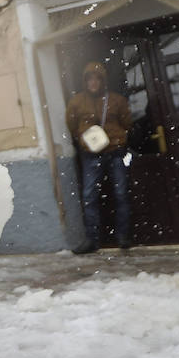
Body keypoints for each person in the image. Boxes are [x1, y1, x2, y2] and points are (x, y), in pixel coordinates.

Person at [65, 60, 133, 253]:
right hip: (91, 155)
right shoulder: (77, 102)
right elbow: (72, 125)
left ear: (103, 81)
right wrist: (84, 141)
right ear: (85, 82)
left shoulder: (117, 100)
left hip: (115, 151)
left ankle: (123, 236)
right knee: (89, 196)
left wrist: (116, 138)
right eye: (90, 79)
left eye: (97, 79)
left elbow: (127, 122)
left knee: (121, 194)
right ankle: (92, 241)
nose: (93, 82)